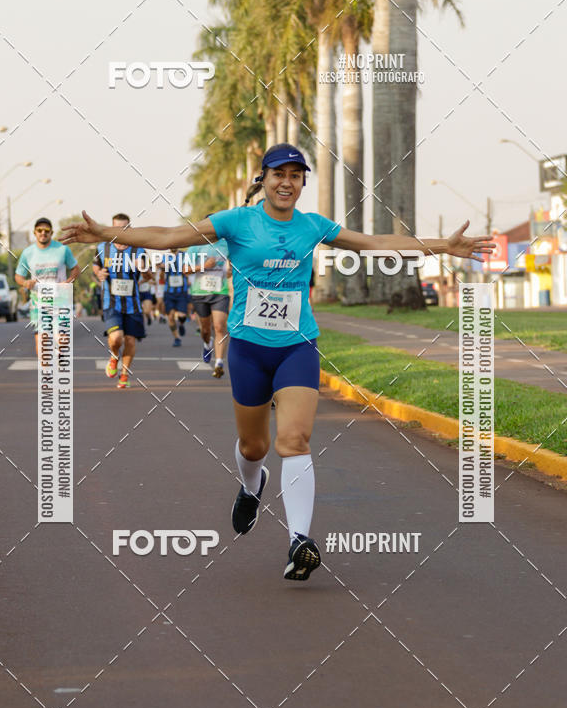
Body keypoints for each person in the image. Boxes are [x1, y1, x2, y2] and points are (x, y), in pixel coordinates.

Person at [61, 143, 493, 581]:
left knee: (295, 439)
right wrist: (107, 235)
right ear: (262, 180)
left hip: (296, 347)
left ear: (303, 182)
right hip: (248, 349)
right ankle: (252, 485)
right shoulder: (237, 221)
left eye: (295, 175)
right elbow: (171, 237)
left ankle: (298, 541)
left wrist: (443, 246)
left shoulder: (312, 227)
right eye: (278, 174)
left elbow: (376, 243)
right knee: (255, 447)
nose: (287, 182)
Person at [92, 212, 146, 389]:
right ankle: (114, 356)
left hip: (133, 304)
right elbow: (95, 267)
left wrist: (143, 269)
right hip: (111, 301)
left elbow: (148, 275)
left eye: (125, 227)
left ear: (129, 229)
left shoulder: (139, 250)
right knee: (116, 339)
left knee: (130, 341)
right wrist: (99, 273)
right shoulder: (102, 248)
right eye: (117, 227)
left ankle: (124, 375)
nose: (121, 230)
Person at [15, 217, 79, 356]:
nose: (43, 233)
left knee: (63, 340)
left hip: (60, 301)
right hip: (39, 303)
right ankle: (47, 373)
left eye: (46, 230)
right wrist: (25, 282)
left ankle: (58, 352)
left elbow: (75, 268)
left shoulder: (62, 249)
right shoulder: (28, 253)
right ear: (34, 232)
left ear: (51, 232)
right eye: (39, 230)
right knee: (43, 341)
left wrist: (68, 282)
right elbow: (18, 276)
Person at [185, 230, 231, 377]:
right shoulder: (195, 247)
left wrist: (231, 270)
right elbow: (185, 270)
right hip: (200, 293)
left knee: (219, 327)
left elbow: (236, 263)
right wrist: (204, 266)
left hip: (220, 292)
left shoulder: (227, 245)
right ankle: (207, 345)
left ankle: (219, 363)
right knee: (205, 330)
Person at [162, 250, 189, 347]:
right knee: (170, 317)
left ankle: (181, 324)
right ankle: (177, 338)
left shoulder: (184, 255)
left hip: (182, 291)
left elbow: (189, 269)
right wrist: (161, 267)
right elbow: (162, 273)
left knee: (182, 315)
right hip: (169, 291)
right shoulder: (165, 256)